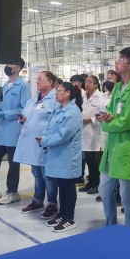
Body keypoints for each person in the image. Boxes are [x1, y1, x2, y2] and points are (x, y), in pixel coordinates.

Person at [97, 47, 130, 229]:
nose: (117, 61)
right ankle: (110, 226)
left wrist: (108, 124)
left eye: (122, 58)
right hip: (113, 148)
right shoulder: (119, 87)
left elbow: (128, 121)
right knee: (104, 190)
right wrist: (107, 120)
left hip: (127, 149)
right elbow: (109, 112)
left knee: (128, 197)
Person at [0, 58, 31, 203]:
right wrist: (1, 108)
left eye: (11, 64)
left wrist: (7, 113)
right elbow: (7, 104)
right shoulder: (5, 84)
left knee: (13, 163)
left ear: (18, 68)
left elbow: (25, 109)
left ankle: (12, 192)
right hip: (2, 131)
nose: (8, 66)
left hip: (14, 130)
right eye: (7, 63)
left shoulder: (23, 86)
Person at [38, 82, 83, 233]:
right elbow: (49, 128)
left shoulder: (73, 112)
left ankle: (69, 218)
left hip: (67, 156)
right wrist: (43, 137)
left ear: (68, 93)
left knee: (68, 187)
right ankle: (62, 214)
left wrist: (45, 141)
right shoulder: (59, 109)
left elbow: (63, 135)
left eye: (60, 91)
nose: (56, 94)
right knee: (61, 186)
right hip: (57, 156)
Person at [14, 71, 58, 220]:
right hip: (32, 143)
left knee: (48, 175)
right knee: (36, 173)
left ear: (50, 82)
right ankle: (38, 200)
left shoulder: (55, 99)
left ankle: (52, 203)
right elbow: (28, 116)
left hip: (45, 143)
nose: (37, 82)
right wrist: (22, 119)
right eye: (36, 79)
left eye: (40, 79)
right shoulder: (33, 100)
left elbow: (55, 121)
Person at [80, 75, 103, 195]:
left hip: (95, 132)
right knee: (88, 159)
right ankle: (91, 182)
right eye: (85, 82)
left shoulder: (100, 97)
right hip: (84, 132)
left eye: (89, 82)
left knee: (93, 160)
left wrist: (91, 119)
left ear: (96, 85)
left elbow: (103, 114)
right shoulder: (83, 96)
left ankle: (96, 183)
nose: (87, 84)